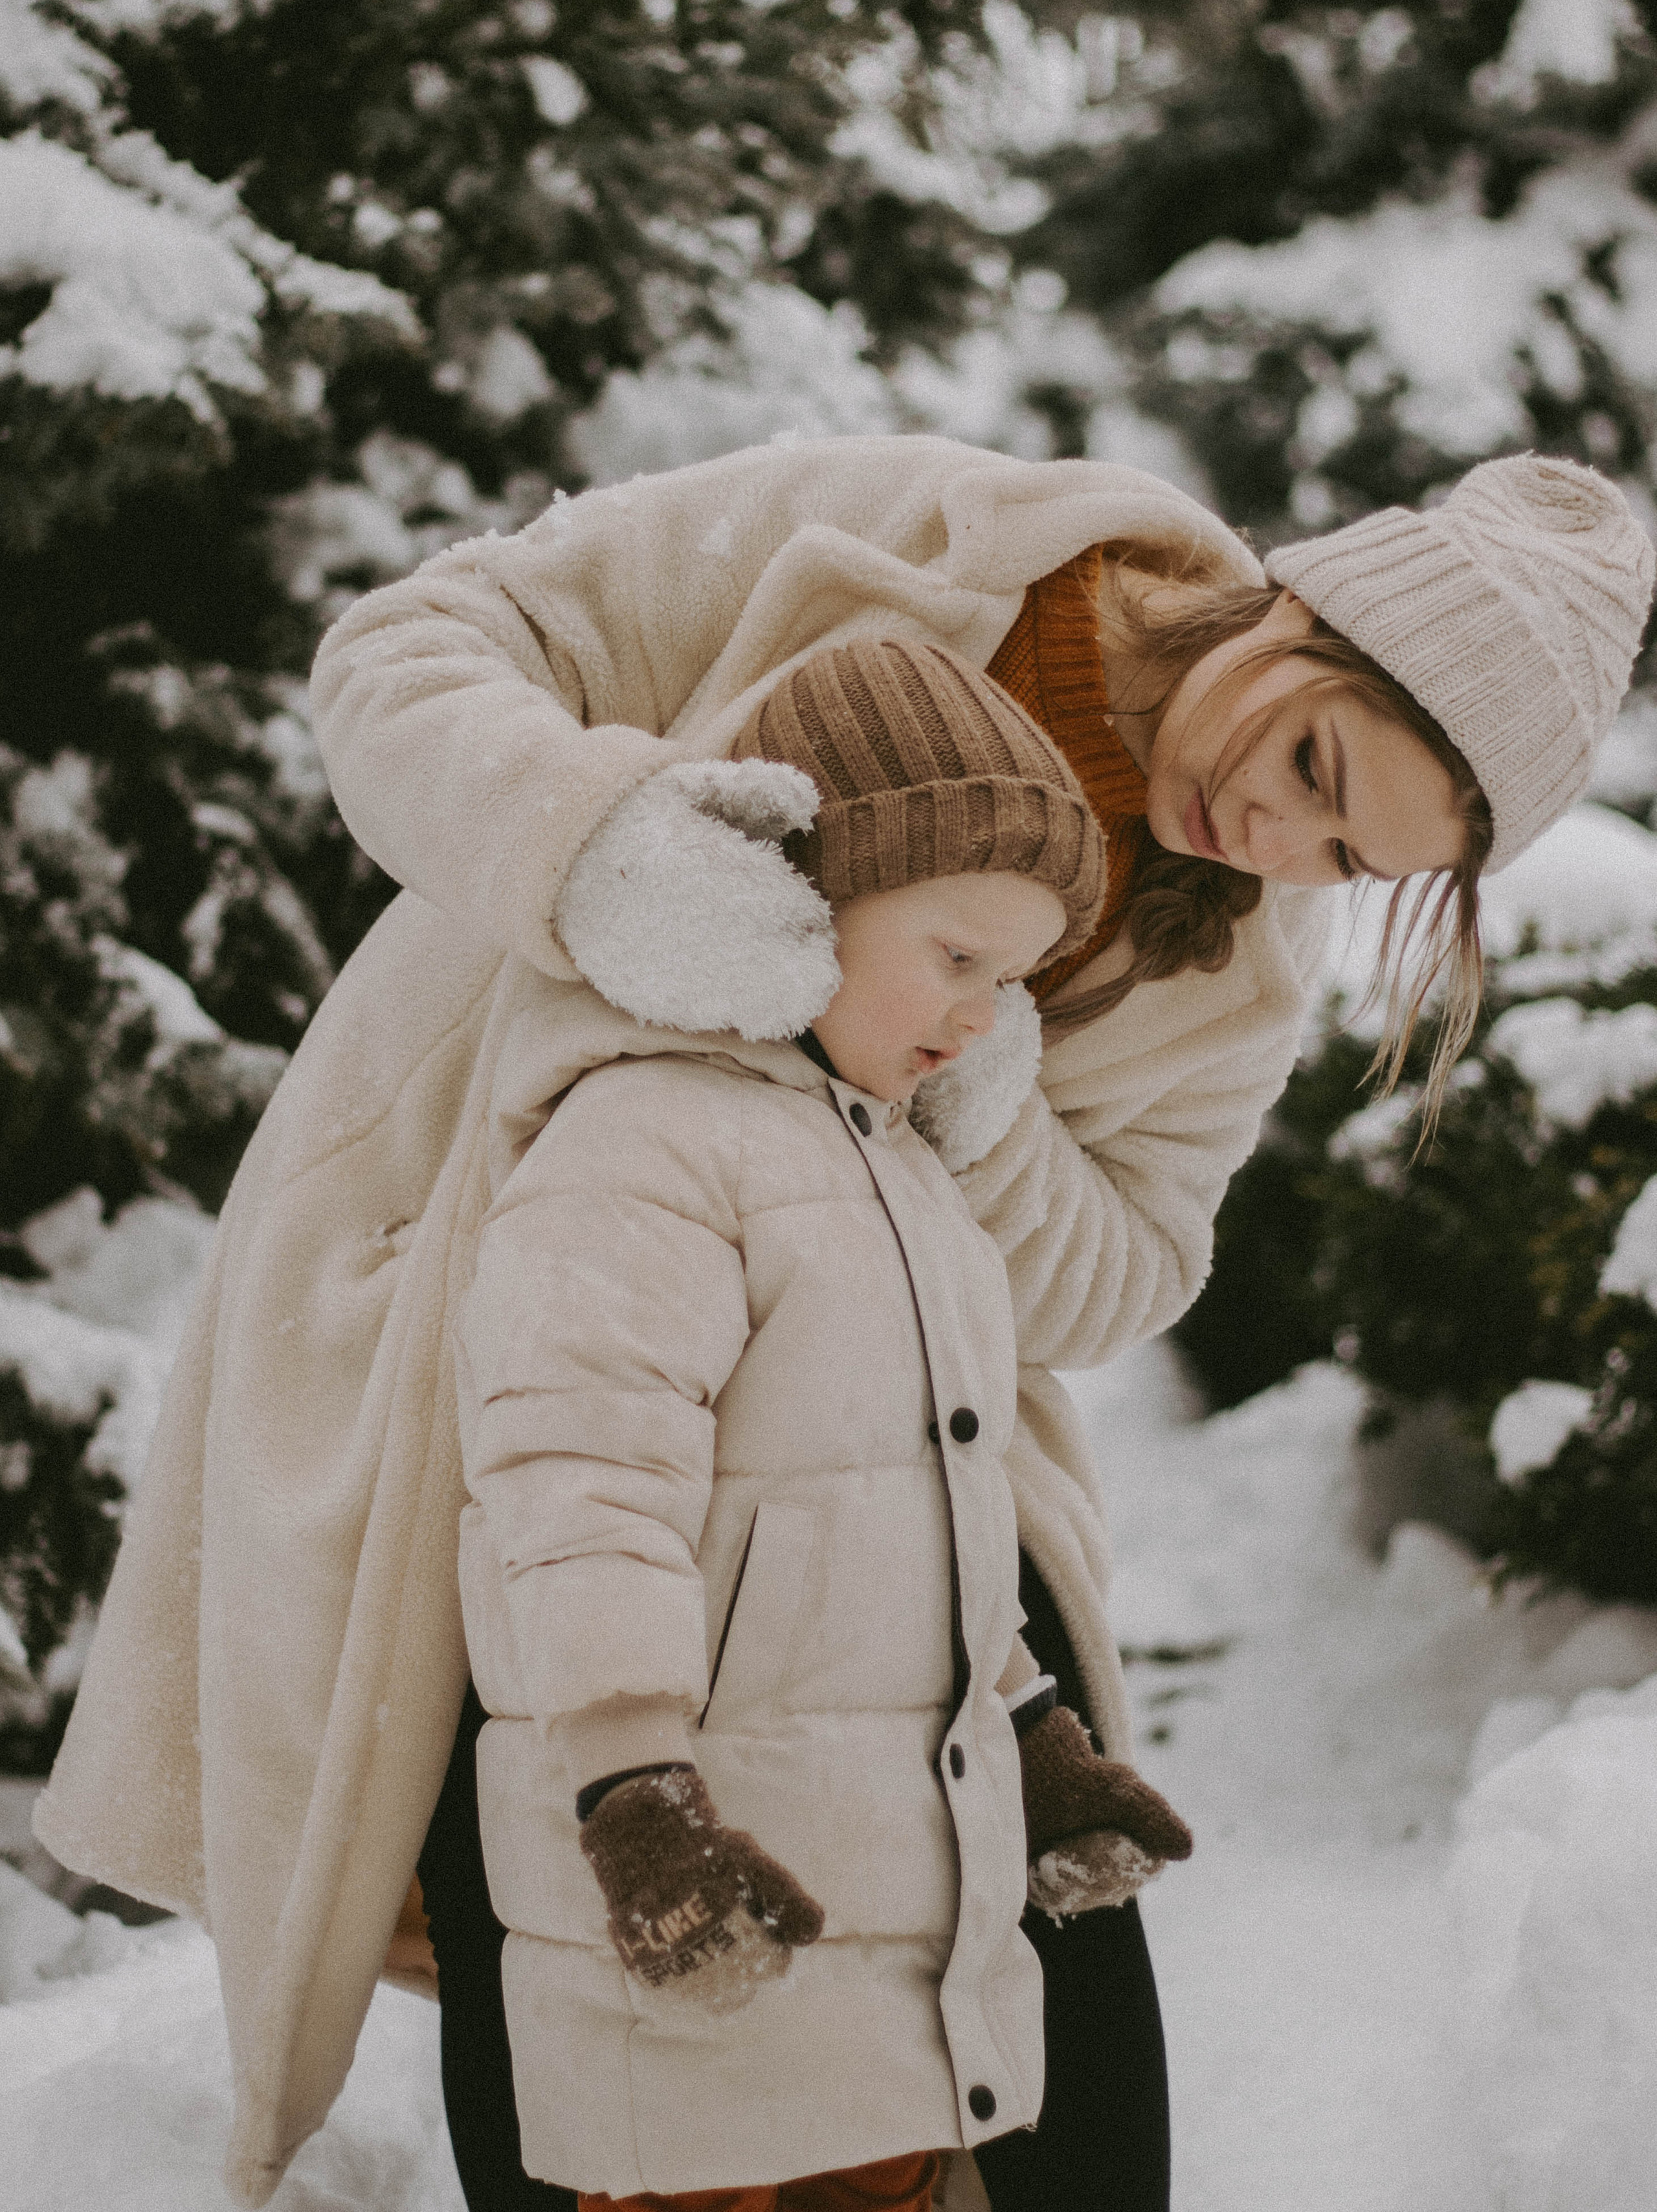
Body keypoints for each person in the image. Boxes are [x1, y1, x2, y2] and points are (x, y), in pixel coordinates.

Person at [34, 436, 1652, 2212]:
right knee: (560, 1935)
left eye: (1349, 852)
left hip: (899, 1423)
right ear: (1304, 604)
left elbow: (1127, 1272)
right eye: (1312, 761)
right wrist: (608, 853)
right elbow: (409, 649)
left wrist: (980, 1087)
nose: (1277, 841)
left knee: (1060, 2010)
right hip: (525, 1321)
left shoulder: (1225, 959)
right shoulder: (920, 535)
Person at [448, 637, 1191, 2209]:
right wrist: (630, 1793)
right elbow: (576, 1486)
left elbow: (922, 1517)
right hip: (697, 1901)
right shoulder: (644, 1135)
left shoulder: (904, 1178)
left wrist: (1030, 1727)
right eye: (957, 957)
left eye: (1013, 980)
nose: (986, 1016)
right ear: (802, 907)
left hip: (891, 1936)